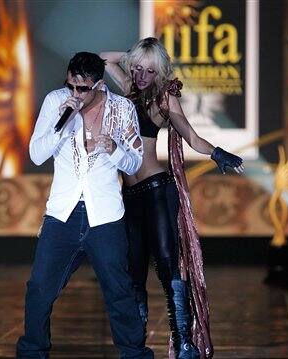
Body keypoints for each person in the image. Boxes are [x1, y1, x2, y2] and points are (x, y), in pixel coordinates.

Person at [100, 38, 244, 359]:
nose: (139, 75)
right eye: (137, 69)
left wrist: (216, 152)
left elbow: (190, 135)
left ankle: (184, 343)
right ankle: (135, 347)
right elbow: (102, 60)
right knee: (134, 270)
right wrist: (135, 56)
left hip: (155, 190)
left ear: (159, 71)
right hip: (130, 196)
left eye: (148, 71)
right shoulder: (128, 88)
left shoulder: (165, 98)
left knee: (167, 267)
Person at [16, 52, 153, 359]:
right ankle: (32, 353)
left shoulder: (122, 108)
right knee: (39, 288)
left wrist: (114, 148)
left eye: (82, 89)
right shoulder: (56, 102)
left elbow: (134, 164)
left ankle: (135, 353)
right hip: (62, 214)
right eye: (71, 86)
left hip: (105, 216)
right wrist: (60, 123)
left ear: (99, 85)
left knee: (119, 291)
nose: (74, 94)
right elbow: (37, 154)